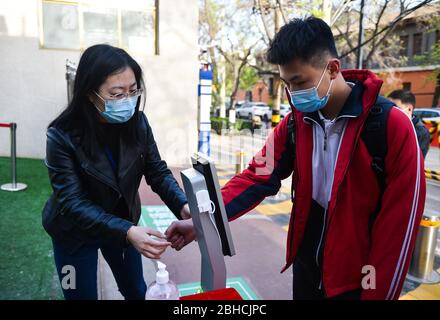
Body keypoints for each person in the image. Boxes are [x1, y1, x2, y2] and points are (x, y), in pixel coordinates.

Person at [166, 17, 426, 300]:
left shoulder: (392, 126)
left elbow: (398, 230)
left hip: (358, 279)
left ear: (333, 68)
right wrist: (203, 223)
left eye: (300, 81)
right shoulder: (294, 125)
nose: (293, 93)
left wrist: (376, 294)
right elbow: (257, 175)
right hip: (306, 267)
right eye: (287, 83)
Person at [42, 44, 191, 300]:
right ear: (90, 94)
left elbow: (157, 171)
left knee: (136, 290)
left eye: (133, 91)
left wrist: (183, 205)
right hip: (72, 233)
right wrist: (127, 231)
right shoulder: (61, 135)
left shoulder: (139, 123)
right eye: (117, 93)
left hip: (122, 225)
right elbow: (72, 202)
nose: (128, 101)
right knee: (79, 295)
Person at [388, 89, 430, 158]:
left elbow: (416, 161)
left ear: (409, 109)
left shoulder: (421, 131)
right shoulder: (387, 123)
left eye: (396, 108)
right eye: (388, 107)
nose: (390, 112)